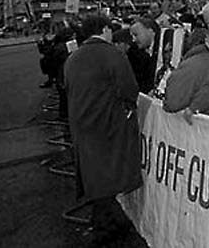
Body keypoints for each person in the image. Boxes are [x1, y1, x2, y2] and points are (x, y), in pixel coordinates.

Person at [64, 15, 141, 245]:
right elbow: (130, 89)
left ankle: (103, 222)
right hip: (107, 125)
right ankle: (109, 226)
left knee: (93, 174)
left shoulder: (73, 57)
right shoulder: (112, 55)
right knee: (109, 175)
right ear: (105, 29)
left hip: (81, 125)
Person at [129, 17, 160, 93]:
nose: (133, 39)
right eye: (132, 36)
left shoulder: (164, 51)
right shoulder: (134, 51)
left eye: (136, 35)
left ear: (150, 31)